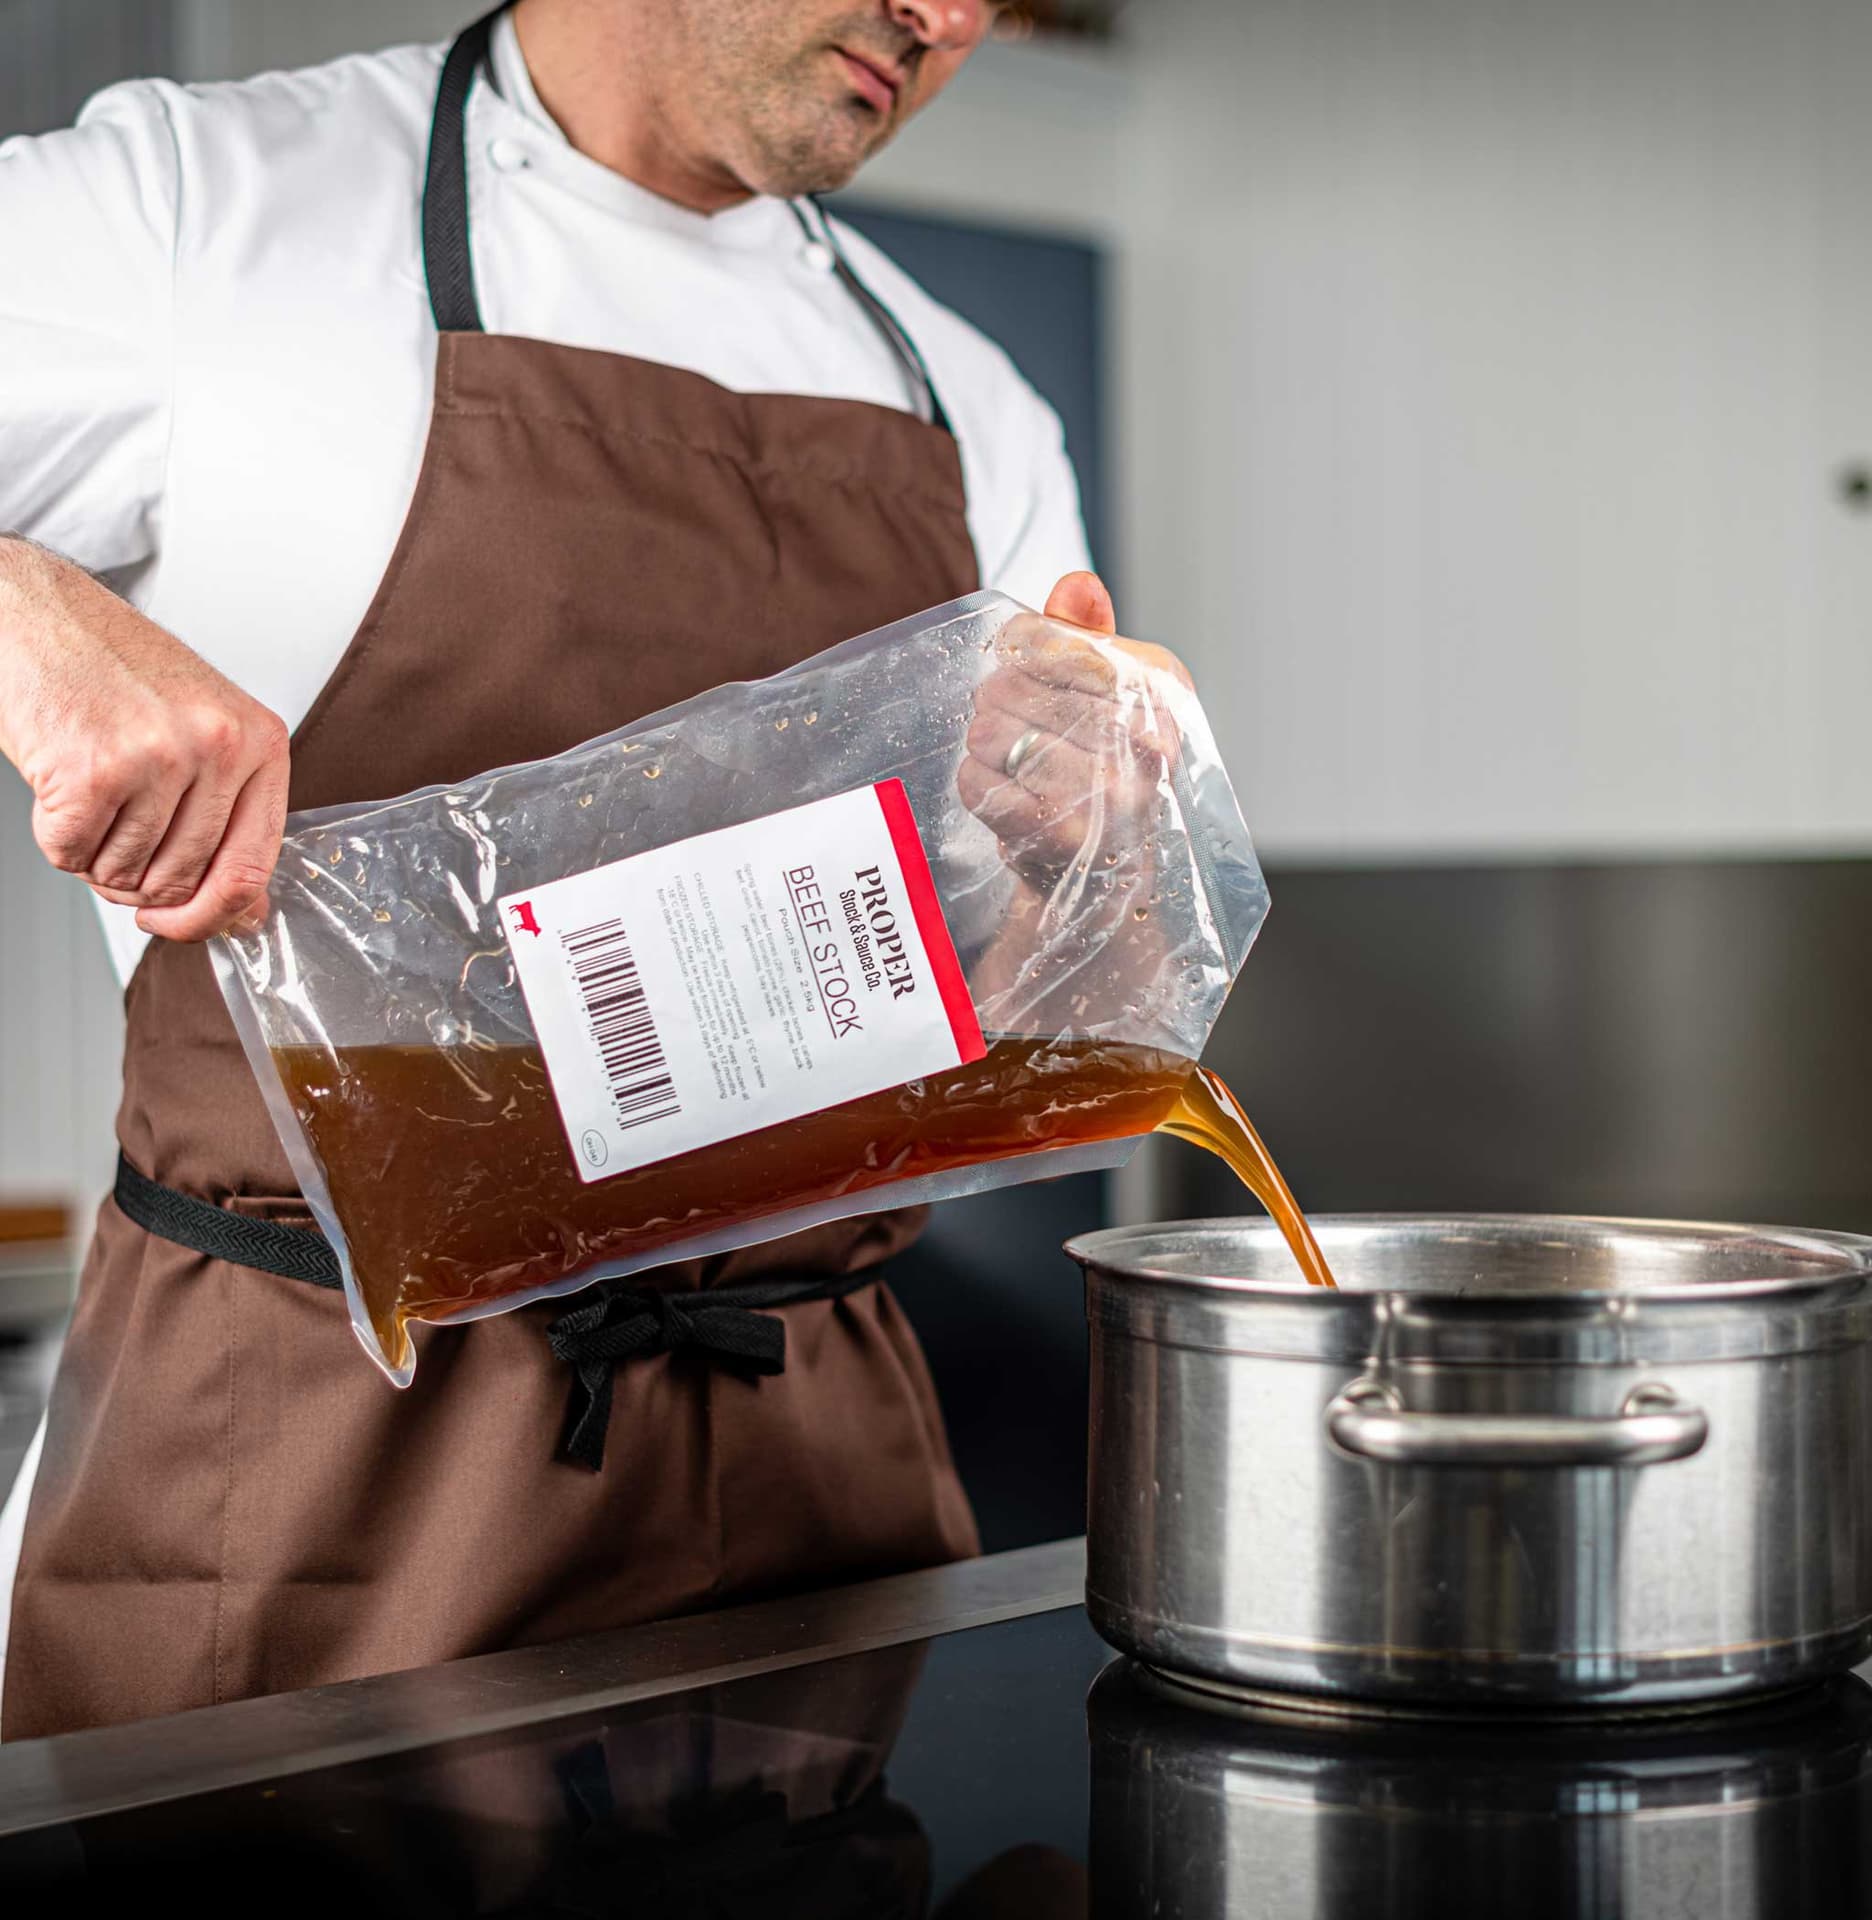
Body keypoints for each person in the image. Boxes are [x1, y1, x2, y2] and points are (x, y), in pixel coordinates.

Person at [0, 0, 1183, 1739]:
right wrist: (25, 615)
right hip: (313, 1478)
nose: (945, 19)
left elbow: (1064, 1013)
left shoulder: (968, 404)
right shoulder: (195, 210)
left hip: (816, 1481)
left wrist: (1085, 880)